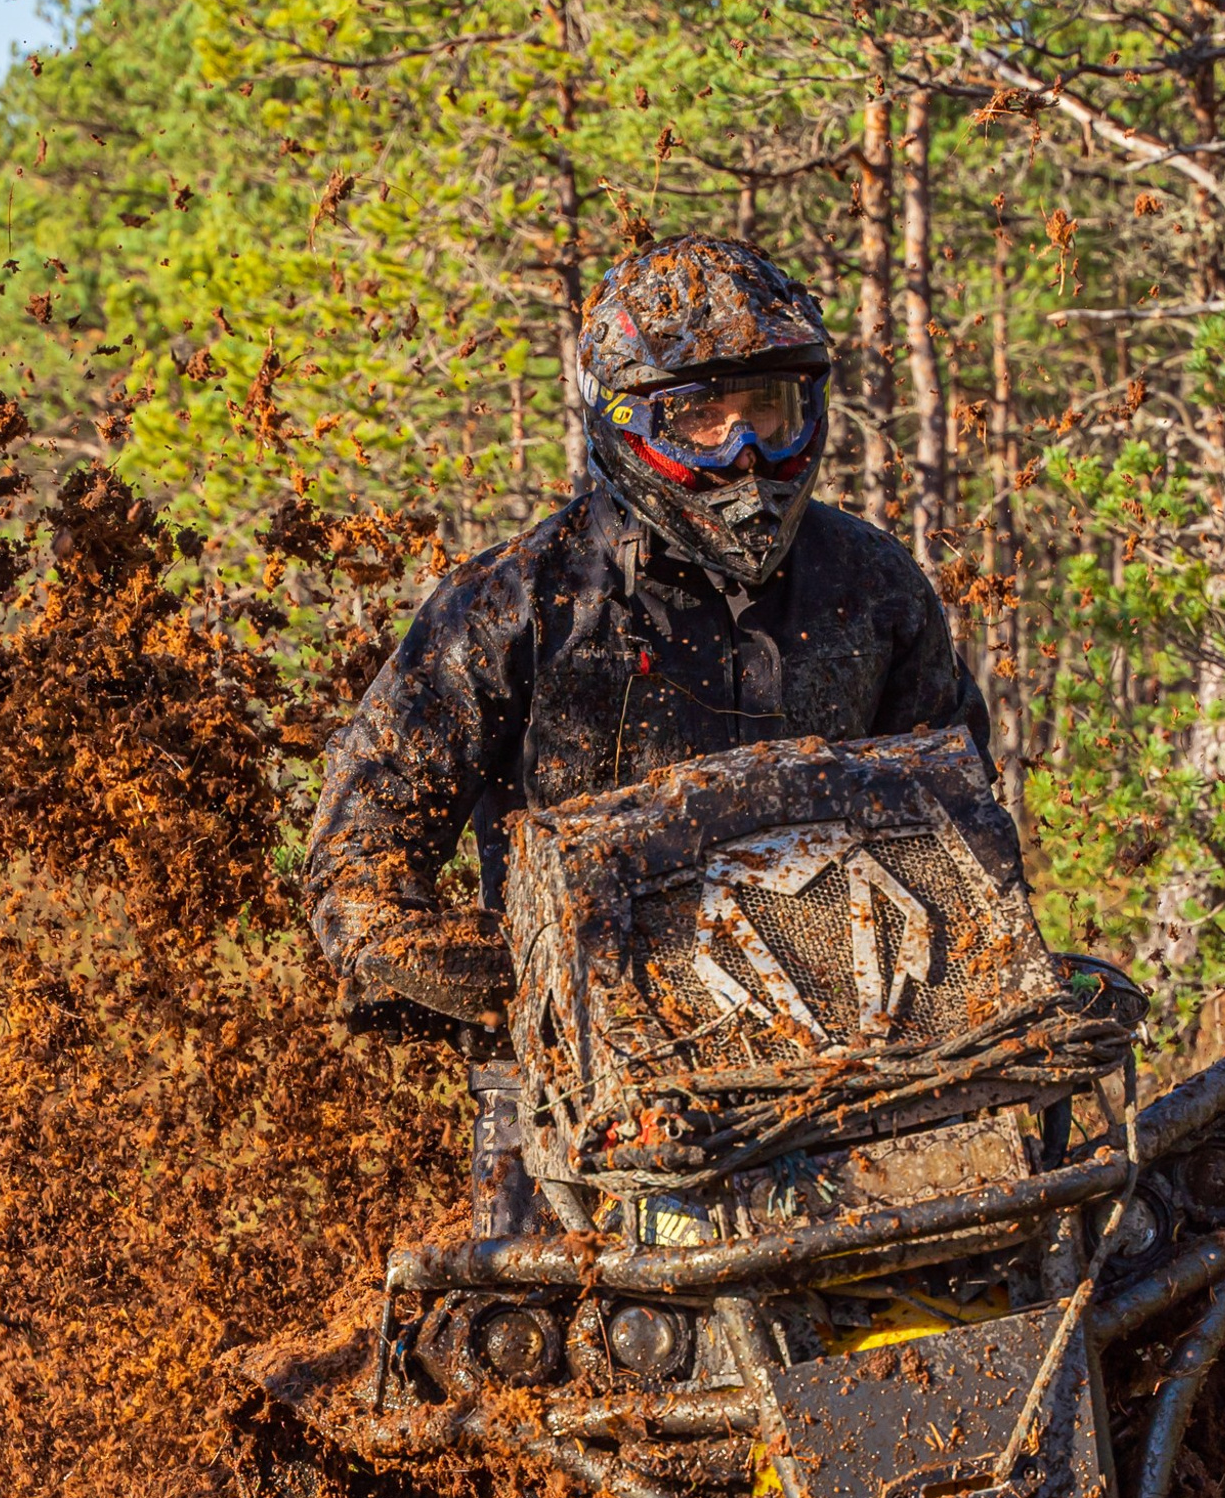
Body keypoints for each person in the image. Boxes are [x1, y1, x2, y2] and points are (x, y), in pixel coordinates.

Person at [305, 233, 993, 1032]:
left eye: (769, 410)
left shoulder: (873, 585)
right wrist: (481, 969)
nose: (745, 454)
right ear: (627, 420)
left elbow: (963, 821)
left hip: (849, 1034)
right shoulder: (510, 604)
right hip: (581, 1044)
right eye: (703, 417)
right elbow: (361, 857)